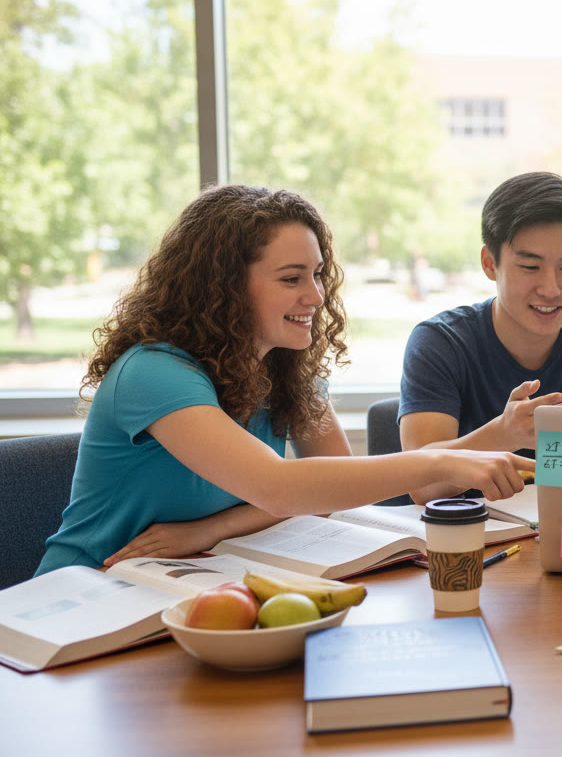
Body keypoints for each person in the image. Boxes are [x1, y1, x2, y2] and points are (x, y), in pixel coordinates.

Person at [36, 185, 532, 576]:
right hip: (92, 588)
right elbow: (278, 487)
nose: (316, 296)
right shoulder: (153, 373)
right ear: (223, 287)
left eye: (317, 275)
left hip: (187, 575)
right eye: (291, 278)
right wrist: (445, 458)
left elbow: (333, 483)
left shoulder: (286, 369)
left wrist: (211, 530)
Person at [399, 171, 562, 502]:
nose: (551, 289)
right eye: (530, 267)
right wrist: (502, 435)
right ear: (490, 263)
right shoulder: (440, 343)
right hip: (470, 545)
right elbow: (422, 487)